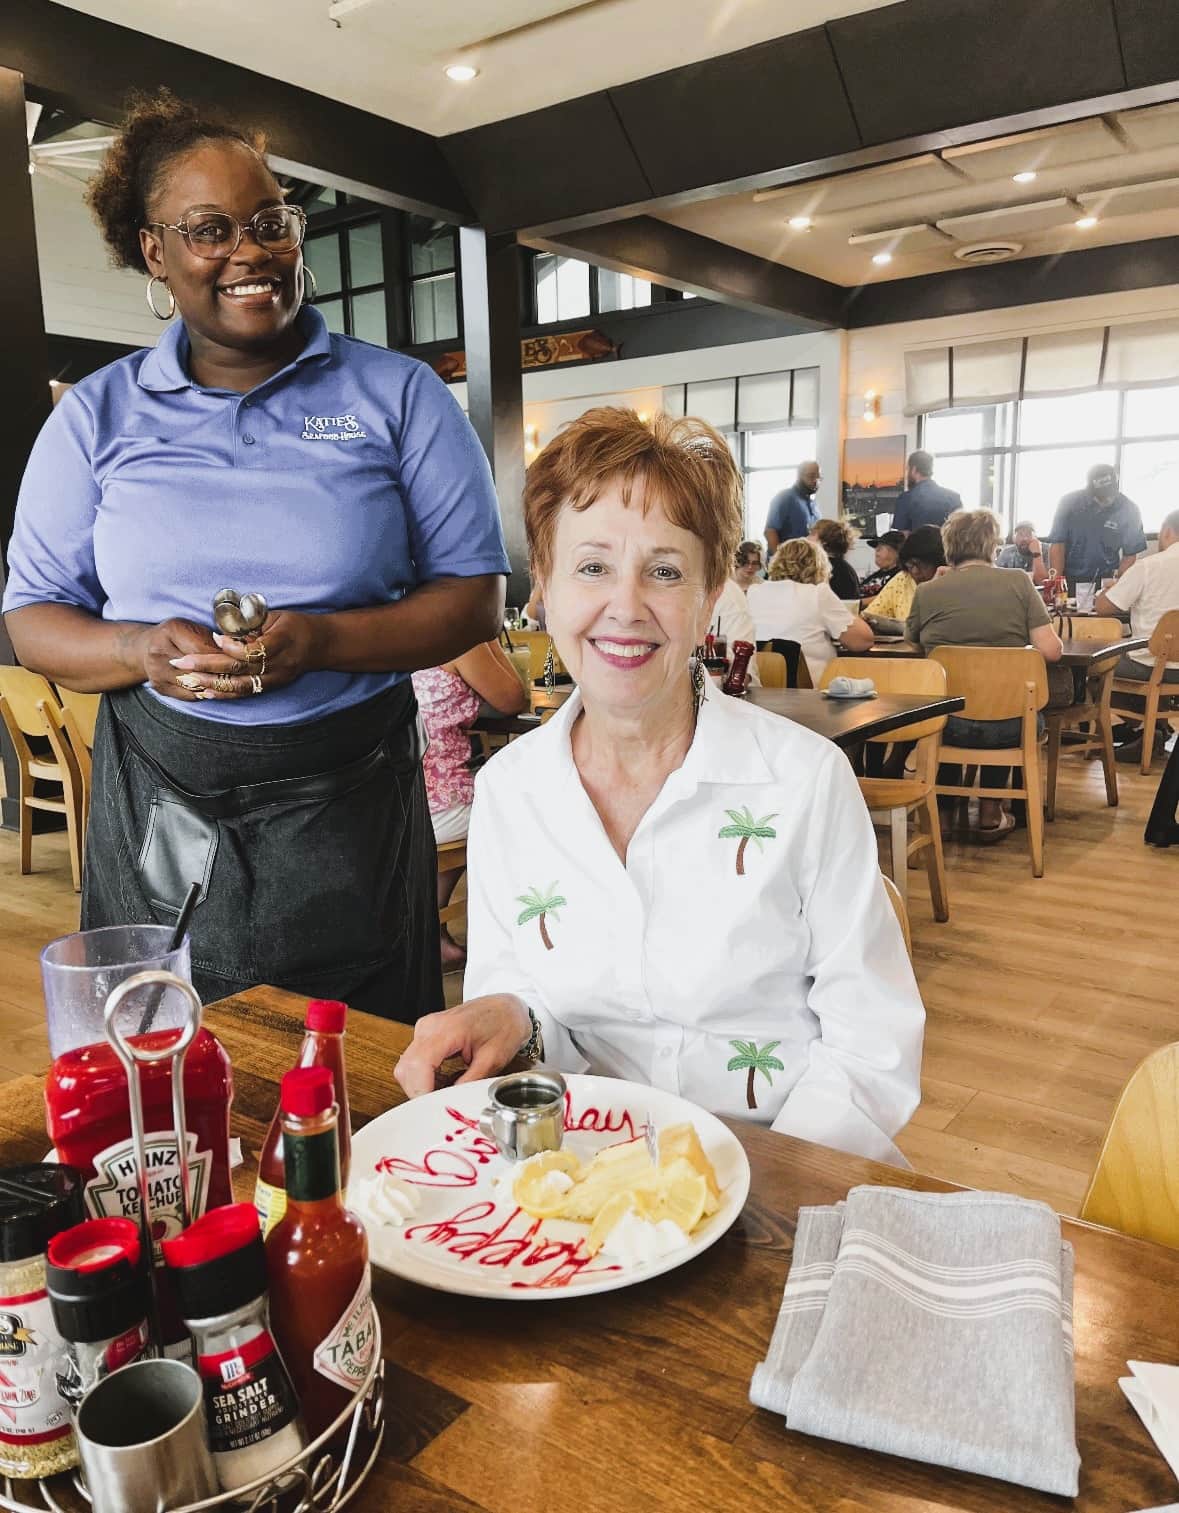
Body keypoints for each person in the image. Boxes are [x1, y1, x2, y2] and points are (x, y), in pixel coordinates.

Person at [1, 92, 510, 1019]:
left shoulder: (397, 396)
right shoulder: (96, 418)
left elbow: (474, 602)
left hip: (350, 791)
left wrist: (319, 641)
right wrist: (136, 650)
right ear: (153, 252)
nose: (251, 252)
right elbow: (32, 619)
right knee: (165, 1046)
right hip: (161, 785)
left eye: (270, 221)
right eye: (209, 229)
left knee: (352, 1062)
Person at [394, 407, 924, 1165]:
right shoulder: (510, 789)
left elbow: (870, 1046)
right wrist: (509, 1018)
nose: (626, 604)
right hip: (579, 1181)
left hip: (779, 1179)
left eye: (665, 571)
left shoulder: (803, 781)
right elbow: (524, 1000)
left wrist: (744, 1194)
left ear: (709, 596)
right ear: (541, 586)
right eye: (591, 566)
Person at [906, 510, 1062, 839]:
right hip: (1011, 726)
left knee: (946, 705)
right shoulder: (1019, 582)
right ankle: (991, 811)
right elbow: (1051, 651)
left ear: (949, 546)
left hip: (946, 724)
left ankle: (944, 814)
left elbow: (913, 650)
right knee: (1007, 702)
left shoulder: (927, 592)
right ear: (993, 545)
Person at [413, 644, 528, 972]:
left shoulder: (390, 632)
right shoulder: (460, 638)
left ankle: (431, 930)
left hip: (394, 802)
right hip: (436, 809)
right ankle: (517, 939)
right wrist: (487, 634)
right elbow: (512, 699)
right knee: (523, 807)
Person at [1096, 507, 1179, 764]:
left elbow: (1104, 608)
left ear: (1166, 532)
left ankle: (1146, 729)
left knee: (1094, 668)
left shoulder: (1148, 567)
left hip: (1149, 662)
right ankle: (1154, 729)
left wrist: (1114, 588)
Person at [748, 538, 874, 685]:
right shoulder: (817, 593)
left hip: (760, 688)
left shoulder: (754, 592)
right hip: (808, 692)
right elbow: (862, 641)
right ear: (819, 566)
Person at [1048, 464, 1146, 586]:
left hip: (1106, 579)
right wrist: (1056, 582)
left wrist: (1118, 585)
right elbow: (1058, 545)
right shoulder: (1069, 503)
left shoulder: (1128, 509)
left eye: (1110, 495)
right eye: (1101, 497)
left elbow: (1130, 554)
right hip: (1069, 577)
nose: (1107, 500)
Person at [861, 525, 946, 631]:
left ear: (938, 563)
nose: (915, 571)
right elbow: (871, 615)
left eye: (921, 566)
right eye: (910, 565)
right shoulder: (903, 579)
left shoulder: (951, 583)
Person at [892, 450, 962, 534]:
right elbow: (959, 534)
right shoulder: (954, 497)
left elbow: (903, 536)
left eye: (907, 469)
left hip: (917, 546)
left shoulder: (905, 498)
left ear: (914, 470)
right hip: (945, 546)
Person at [764, 461, 820, 553]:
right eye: (811, 476)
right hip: (787, 563)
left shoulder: (814, 505)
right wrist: (781, 561)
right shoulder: (785, 498)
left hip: (807, 563)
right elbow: (770, 531)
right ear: (799, 476)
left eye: (818, 478)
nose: (815, 481)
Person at [810, 518, 861, 601]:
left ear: (823, 542)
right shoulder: (843, 566)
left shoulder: (825, 568)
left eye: (812, 534)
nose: (806, 538)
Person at [859, 529, 905, 601]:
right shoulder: (876, 574)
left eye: (880, 548)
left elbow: (888, 598)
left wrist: (858, 604)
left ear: (896, 552)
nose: (876, 552)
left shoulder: (901, 576)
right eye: (876, 548)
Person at [997, 521, 1048, 585]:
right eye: (1020, 534)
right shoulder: (1006, 552)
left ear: (1035, 537)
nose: (1024, 539)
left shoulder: (1046, 550)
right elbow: (996, 578)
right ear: (1014, 538)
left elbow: (1042, 582)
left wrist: (1037, 553)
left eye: (1028, 534)